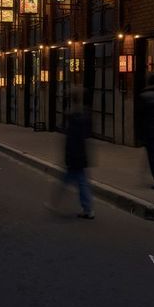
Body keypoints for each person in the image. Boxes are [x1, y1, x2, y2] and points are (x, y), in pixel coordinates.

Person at [46, 87, 94, 219]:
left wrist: (68, 155)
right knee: (80, 181)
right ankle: (87, 208)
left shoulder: (72, 116)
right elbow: (86, 135)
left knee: (67, 181)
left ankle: (56, 203)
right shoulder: (85, 114)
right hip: (81, 152)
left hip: (74, 154)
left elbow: (71, 138)